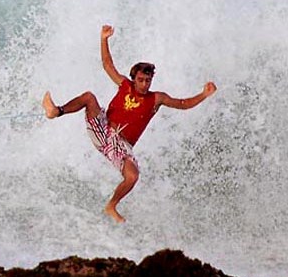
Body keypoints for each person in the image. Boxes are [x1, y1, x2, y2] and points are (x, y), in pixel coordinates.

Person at [42, 25, 217, 223]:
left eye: (148, 80)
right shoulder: (125, 85)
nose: (144, 84)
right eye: (141, 80)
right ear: (134, 79)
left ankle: (111, 205)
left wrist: (204, 94)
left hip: (121, 145)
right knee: (89, 97)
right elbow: (107, 65)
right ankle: (57, 111)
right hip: (103, 128)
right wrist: (104, 39)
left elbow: (183, 104)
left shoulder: (156, 99)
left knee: (132, 176)